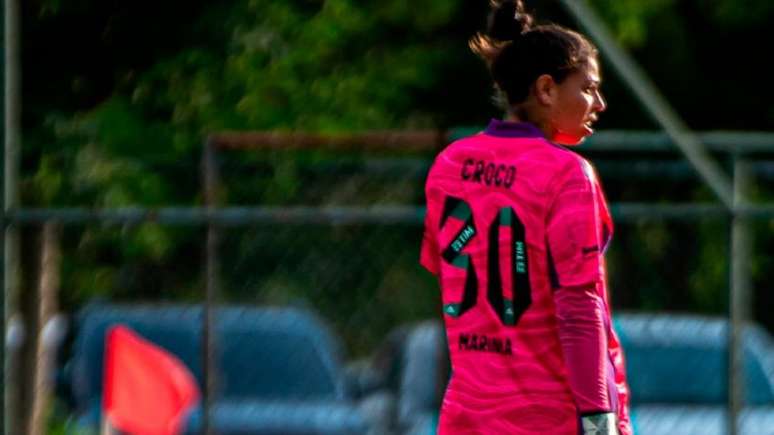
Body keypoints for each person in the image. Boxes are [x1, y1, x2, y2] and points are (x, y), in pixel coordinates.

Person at [419, 1, 632, 434]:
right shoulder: (567, 174)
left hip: (468, 414)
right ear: (547, 89)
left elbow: (450, 282)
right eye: (588, 88)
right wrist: (598, 418)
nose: (600, 103)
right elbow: (578, 304)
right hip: (548, 415)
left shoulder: (449, 164)